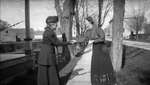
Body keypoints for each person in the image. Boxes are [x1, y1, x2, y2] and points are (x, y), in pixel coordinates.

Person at [37, 16, 73, 85]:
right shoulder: (50, 33)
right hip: (48, 55)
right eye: (56, 24)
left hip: (45, 56)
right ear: (51, 24)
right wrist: (69, 42)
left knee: (46, 72)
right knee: (51, 71)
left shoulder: (47, 31)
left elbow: (55, 42)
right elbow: (57, 43)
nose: (57, 25)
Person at [85, 16, 116, 85]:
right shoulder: (88, 31)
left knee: (103, 65)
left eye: (86, 22)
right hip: (95, 50)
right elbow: (86, 39)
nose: (85, 23)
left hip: (102, 49)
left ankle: (107, 81)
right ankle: (97, 82)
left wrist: (93, 41)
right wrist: (76, 42)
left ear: (90, 22)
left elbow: (102, 38)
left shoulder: (98, 29)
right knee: (96, 65)